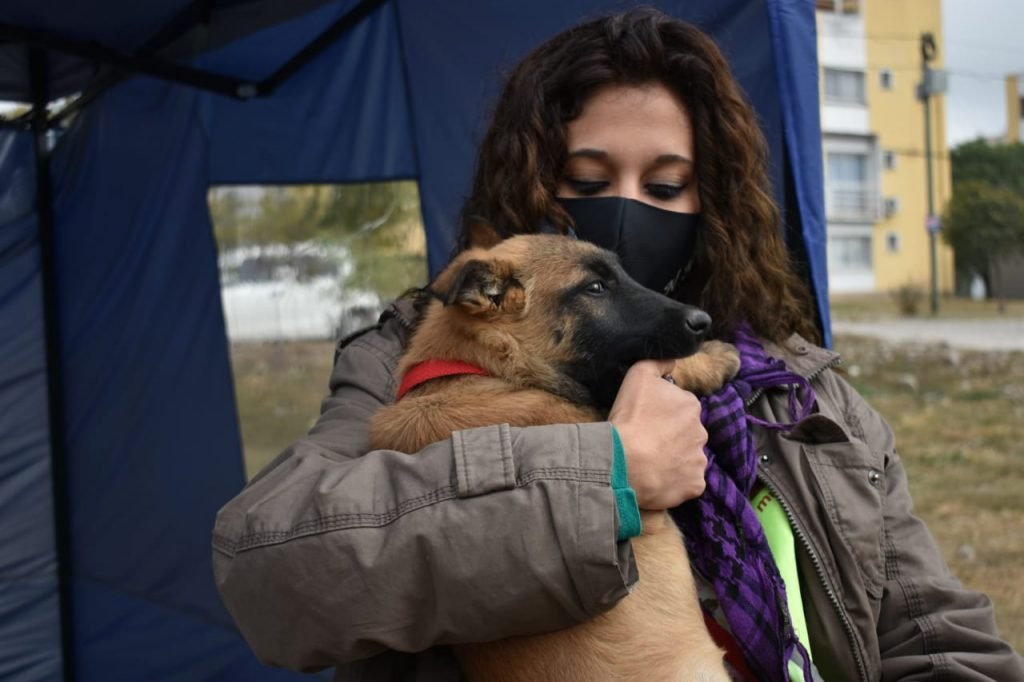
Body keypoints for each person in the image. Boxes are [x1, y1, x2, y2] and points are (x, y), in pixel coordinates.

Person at [212, 9, 1023, 681]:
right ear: (531, 180)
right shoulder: (409, 366)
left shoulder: (796, 390)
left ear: (714, 200)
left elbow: (933, 638)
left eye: (666, 186)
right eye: (590, 182)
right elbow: (273, 570)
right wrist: (607, 475)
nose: (629, 213)